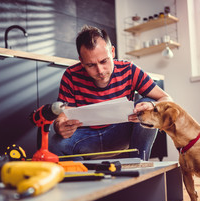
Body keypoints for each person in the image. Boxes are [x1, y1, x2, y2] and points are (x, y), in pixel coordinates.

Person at [49, 25, 172, 160]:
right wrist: (60, 125)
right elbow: (62, 116)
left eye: (104, 61)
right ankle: (82, 174)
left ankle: (139, 163)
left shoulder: (130, 70)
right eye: (91, 65)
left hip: (120, 134)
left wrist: (152, 107)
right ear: (81, 61)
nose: (100, 70)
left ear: (112, 52)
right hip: (86, 138)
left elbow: (166, 99)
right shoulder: (71, 76)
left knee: (147, 105)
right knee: (55, 143)